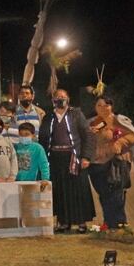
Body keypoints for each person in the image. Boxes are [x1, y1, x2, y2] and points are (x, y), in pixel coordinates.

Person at [38, 88, 95, 233]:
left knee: (78, 190)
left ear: (68, 99)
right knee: (60, 190)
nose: (60, 99)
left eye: (63, 97)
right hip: (55, 159)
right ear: (53, 100)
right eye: (57, 97)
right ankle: (63, 222)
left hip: (74, 157)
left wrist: (86, 157)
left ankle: (81, 222)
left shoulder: (76, 114)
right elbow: (43, 138)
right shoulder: (49, 117)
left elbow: (87, 135)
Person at [87, 96, 134, 228]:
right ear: (95, 107)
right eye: (99, 105)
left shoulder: (119, 120)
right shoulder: (92, 123)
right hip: (96, 164)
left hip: (115, 162)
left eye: (106, 105)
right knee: (103, 194)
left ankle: (119, 223)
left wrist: (120, 142)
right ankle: (109, 223)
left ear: (112, 107)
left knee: (116, 194)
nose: (103, 108)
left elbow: (133, 136)